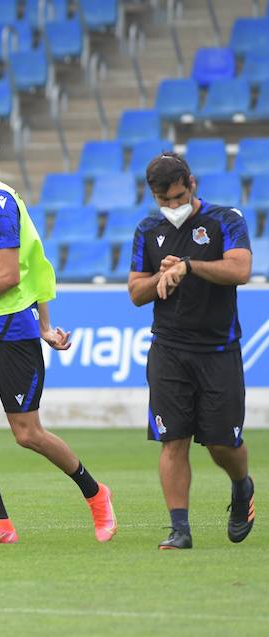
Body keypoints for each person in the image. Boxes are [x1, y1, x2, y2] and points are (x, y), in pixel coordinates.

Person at [0, 124, 116, 544]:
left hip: (8, 333)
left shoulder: (0, 203)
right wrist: (46, 326)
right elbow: (34, 265)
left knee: (27, 433)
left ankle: (96, 493)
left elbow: (10, 275)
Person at [128, 152, 255, 549]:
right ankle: (179, 529)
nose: (173, 206)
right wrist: (162, 276)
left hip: (219, 350)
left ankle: (242, 485)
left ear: (192, 184)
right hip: (168, 349)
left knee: (221, 444)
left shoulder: (225, 220)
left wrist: (189, 265)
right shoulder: (147, 230)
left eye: (179, 197)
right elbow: (135, 292)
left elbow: (240, 270)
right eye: (164, 200)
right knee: (173, 439)